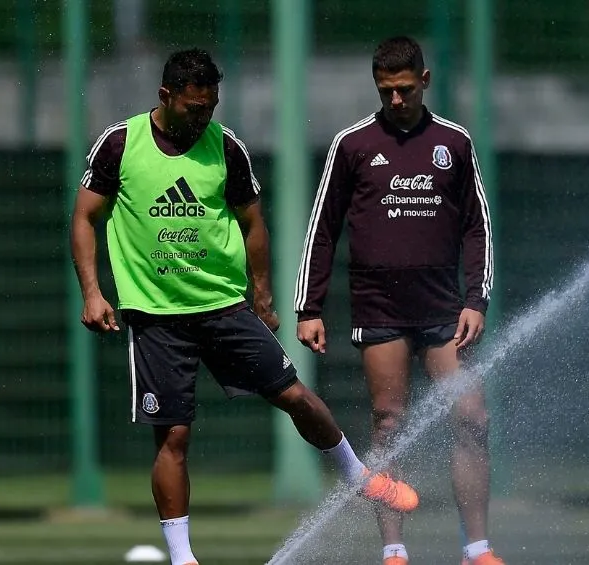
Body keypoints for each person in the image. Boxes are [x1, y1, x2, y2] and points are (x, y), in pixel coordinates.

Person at [69, 48, 418, 565]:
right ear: (166, 96)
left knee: (295, 395)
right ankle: (183, 558)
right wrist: (93, 293)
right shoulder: (120, 144)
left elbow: (254, 225)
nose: (202, 117)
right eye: (193, 107)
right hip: (156, 316)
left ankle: (359, 477)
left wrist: (263, 296)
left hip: (223, 306)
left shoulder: (226, 147)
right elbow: (84, 218)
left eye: (210, 106)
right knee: (174, 437)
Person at [293, 36, 500, 565]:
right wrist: (309, 308)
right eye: (386, 91)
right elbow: (323, 228)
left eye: (405, 89)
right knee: (389, 421)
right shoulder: (354, 143)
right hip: (379, 309)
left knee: (471, 414)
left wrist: (475, 298)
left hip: (442, 310)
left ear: (424, 81)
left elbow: (478, 227)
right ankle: (394, 550)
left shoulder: (453, 142)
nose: (396, 101)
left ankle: (477, 549)